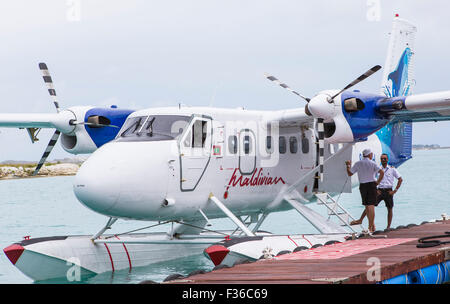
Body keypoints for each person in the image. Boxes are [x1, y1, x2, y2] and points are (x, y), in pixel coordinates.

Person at [350, 153, 403, 230]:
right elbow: (372, 178)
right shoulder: (377, 168)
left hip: (389, 191)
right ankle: (361, 220)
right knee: (369, 205)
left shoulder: (392, 169)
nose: (383, 160)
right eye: (382, 159)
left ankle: (388, 227)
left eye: (385, 158)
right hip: (379, 191)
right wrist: (375, 188)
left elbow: (400, 179)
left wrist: (395, 191)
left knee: (390, 208)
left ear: (387, 159)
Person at [345, 148, 384, 233]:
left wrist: (348, 165)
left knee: (367, 205)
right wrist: (377, 183)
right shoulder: (373, 163)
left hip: (362, 185)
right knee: (371, 206)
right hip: (371, 184)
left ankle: (371, 225)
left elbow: (350, 173)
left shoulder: (358, 163)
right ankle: (370, 227)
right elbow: (382, 172)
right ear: (370, 155)